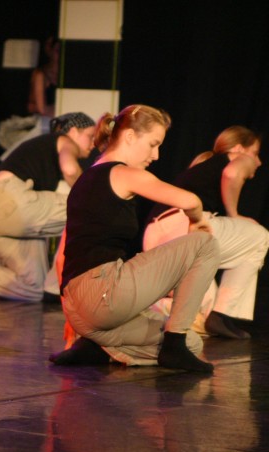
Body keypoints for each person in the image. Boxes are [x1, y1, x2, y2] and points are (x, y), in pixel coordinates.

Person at [52, 104, 219, 372]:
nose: (156, 155)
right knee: (206, 244)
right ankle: (174, 343)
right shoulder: (123, 173)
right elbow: (191, 201)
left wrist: (72, 318)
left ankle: (98, 349)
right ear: (129, 136)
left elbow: (63, 254)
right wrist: (197, 221)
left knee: (194, 342)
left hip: (80, 309)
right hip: (104, 295)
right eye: (153, 144)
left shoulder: (84, 180)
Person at [0, 112, 95, 301]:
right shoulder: (64, 140)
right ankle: (61, 285)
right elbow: (70, 169)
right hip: (9, 200)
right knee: (92, 211)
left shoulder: (42, 151)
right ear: (74, 131)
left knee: (34, 285)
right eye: (90, 136)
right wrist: (92, 198)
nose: (93, 143)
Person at [143, 126, 266, 339]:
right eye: (255, 153)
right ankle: (223, 314)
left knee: (200, 317)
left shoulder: (206, 166)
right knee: (259, 236)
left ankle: (147, 309)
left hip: (156, 232)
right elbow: (232, 173)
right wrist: (234, 214)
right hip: (185, 224)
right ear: (238, 148)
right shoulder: (237, 158)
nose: (259, 161)